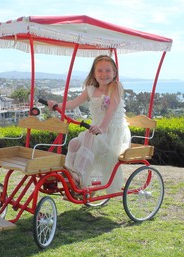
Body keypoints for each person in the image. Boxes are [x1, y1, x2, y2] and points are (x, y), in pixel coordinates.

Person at [48, 55, 131, 194]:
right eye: (100, 70)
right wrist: (58, 105)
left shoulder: (115, 87)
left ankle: (80, 177)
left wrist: (102, 128)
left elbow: (111, 110)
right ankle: (72, 175)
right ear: (94, 73)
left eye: (108, 70)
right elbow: (74, 103)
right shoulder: (91, 90)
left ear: (114, 73)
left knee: (88, 136)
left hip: (112, 132)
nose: (104, 74)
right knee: (74, 142)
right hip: (96, 130)